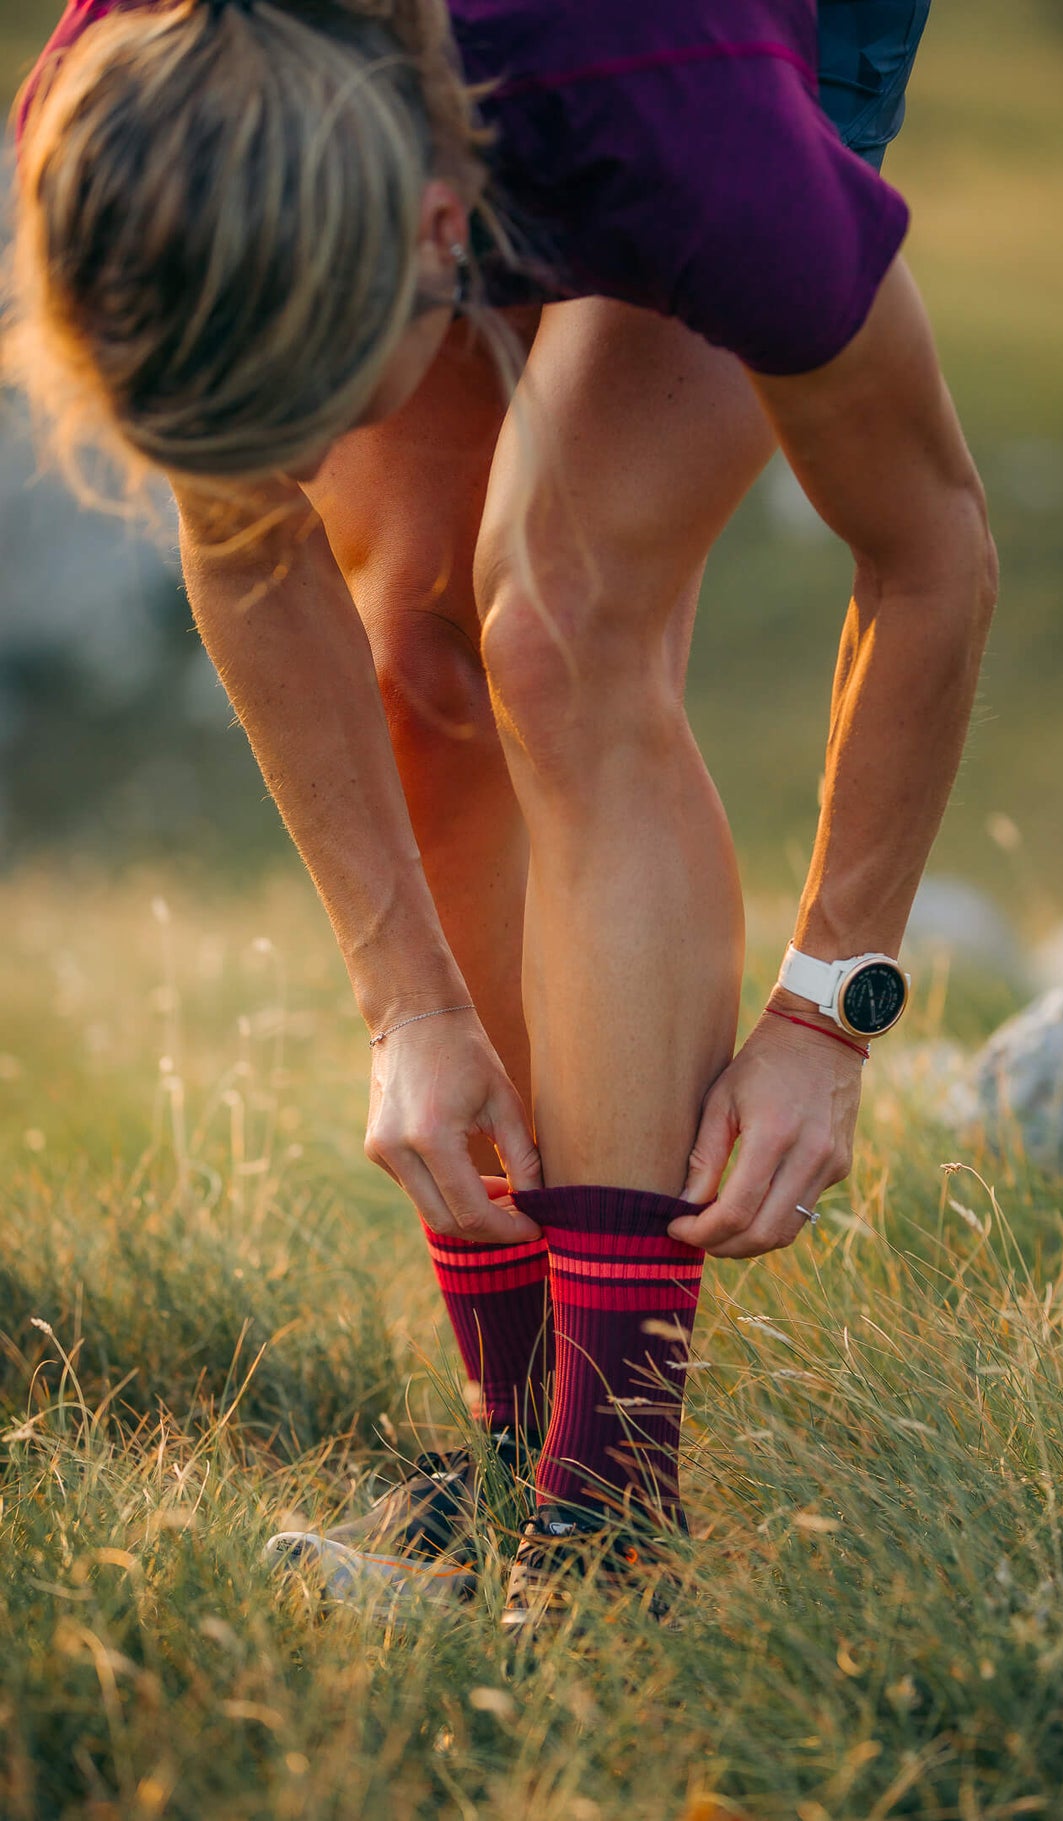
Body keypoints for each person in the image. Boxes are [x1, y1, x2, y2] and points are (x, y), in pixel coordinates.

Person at [8, 0, 995, 1627]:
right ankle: (518, 1457)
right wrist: (403, 1000)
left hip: (659, 41)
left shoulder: (693, 139)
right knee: (419, 648)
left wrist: (829, 1013)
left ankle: (604, 1533)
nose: (303, 460)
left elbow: (931, 549)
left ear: (440, 230)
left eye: (321, 401)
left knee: (560, 622)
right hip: (451, 76)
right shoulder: (152, 119)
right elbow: (241, 521)